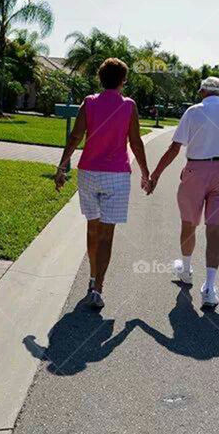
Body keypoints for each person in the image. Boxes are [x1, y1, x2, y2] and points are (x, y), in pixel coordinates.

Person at [145, 76, 219, 309]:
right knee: (215, 231)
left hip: (194, 170)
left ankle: (186, 269)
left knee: (189, 223)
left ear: (202, 92)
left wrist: (155, 175)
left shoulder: (192, 112)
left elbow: (174, 148)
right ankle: (210, 288)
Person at [55, 58, 150, 309]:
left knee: (92, 228)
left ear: (100, 78)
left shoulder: (89, 102)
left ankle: (92, 277)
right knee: (107, 235)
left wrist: (62, 166)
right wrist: (145, 173)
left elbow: (76, 137)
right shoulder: (129, 105)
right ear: (123, 80)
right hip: (117, 176)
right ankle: (98, 288)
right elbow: (136, 142)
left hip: (88, 172)